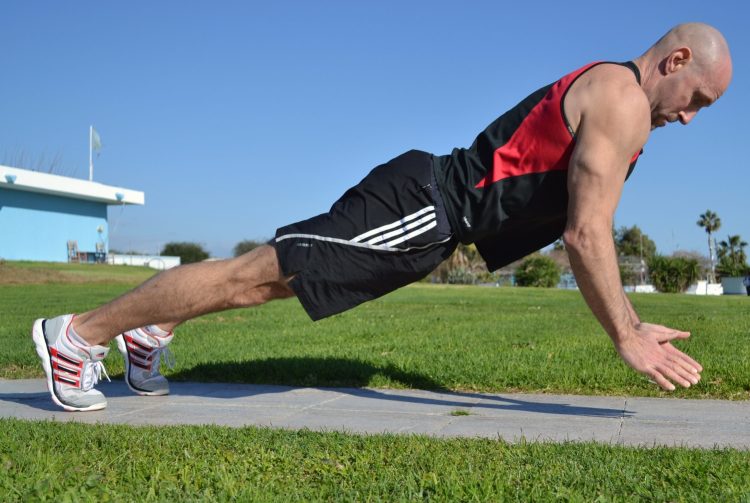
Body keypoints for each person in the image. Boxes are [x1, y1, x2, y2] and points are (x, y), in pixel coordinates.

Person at [32, 23, 732, 411]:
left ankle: (150, 329)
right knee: (258, 272)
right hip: (421, 207)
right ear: (674, 59)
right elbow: (585, 229)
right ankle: (77, 334)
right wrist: (626, 334)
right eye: (696, 97)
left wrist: (633, 323)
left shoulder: (622, 100)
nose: (690, 117)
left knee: (268, 284)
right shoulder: (624, 100)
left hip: (428, 222)